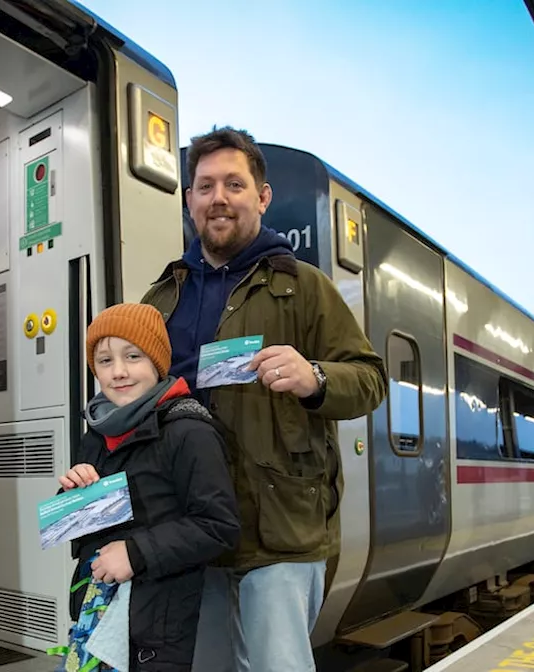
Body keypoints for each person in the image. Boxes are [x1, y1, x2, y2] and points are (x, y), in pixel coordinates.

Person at [141, 126, 388, 672]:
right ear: (189, 200)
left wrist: (315, 377)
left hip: (277, 532)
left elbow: (370, 379)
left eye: (234, 183)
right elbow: (130, 402)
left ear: (262, 196)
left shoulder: (304, 286)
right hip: (188, 533)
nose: (219, 198)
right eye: (205, 187)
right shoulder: (162, 297)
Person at [57, 303, 240, 671]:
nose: (119, 371)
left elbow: (218, 527)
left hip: (156, 628)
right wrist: (74, 498)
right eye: (105, 360)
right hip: (97, 613)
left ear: (157, 362)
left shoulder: (189, 432)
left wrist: (135, 554)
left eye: (133, 356)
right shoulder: (97, 432)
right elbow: (81, 531)